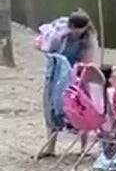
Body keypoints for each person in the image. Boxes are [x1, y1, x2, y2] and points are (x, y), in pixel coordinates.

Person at [37, 11, 100, 158]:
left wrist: (76, 76)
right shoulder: (60, 33)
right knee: (51, 108)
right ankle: (51, 147)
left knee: (81, 109)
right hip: (55, 74)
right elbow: (44, 46)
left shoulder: (88, 38)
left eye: (79, 30)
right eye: (73, 28)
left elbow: (87, 60)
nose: (75, 32)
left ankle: (84, 147)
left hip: (77, 74)